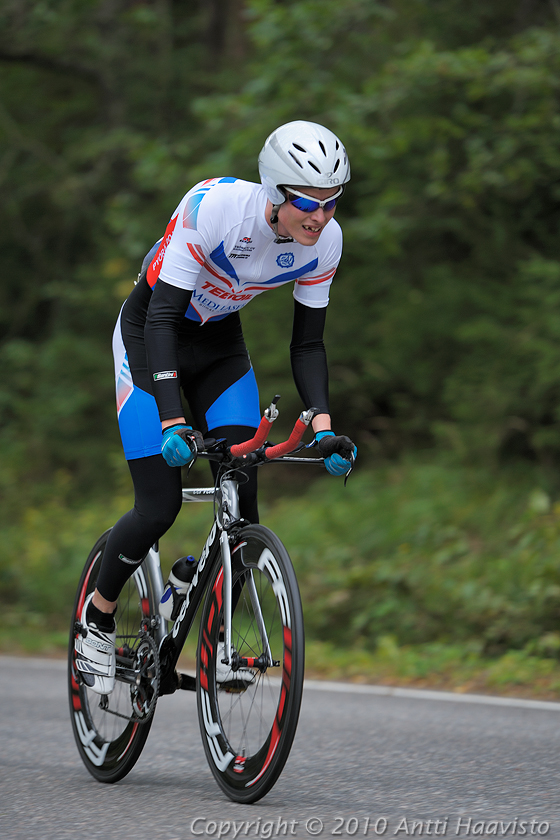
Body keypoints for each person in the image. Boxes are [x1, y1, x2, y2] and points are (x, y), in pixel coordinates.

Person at [74, 120, 357, 694]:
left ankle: (213, 625)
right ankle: (98, 620)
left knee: (242, 490)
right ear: (275, 192)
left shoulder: (325, 242)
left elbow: (307, 344)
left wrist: (324, 427)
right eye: (308, 202)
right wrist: (174, 418)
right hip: (151, 338)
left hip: (221, 344)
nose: (320, 216)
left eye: (332, 202)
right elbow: (159, 318)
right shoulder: (217, 211)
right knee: (160, 504)